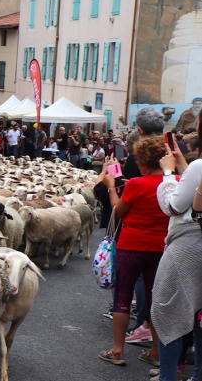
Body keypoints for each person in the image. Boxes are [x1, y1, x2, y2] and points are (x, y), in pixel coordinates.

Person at [100, 137, 171, 367]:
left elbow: (119, 212)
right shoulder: (175, 182)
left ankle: (117, 350)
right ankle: (156, 352)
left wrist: (112, 188)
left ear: (143, 163)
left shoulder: (136, 185)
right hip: (161, 247)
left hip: (131, 245)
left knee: (122, 295)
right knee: (156, 298)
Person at [153, 133, 202, 381]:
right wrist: (185, 167)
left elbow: (172, 206)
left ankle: (167, 377)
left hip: (190, 246)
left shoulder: (200, 166)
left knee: (169, 310)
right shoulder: (196, 167)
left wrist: (169, 173)